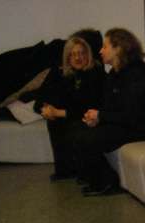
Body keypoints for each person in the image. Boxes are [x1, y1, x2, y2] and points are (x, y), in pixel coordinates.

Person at [74, 28, 145, 196]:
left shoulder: (135, 76)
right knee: (78, 130)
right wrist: (96, 118)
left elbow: (131, 115)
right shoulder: (114, 75)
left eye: (105, 47)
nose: (100, 51)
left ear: (118, 49)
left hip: (135, 129)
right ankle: (96, 177)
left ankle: (108, 182)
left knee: (89, 138)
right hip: (119, 124)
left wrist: (101, 116)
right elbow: (110, 107)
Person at [33, 35, 103, 181]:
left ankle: (80, 170)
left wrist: (58, 112)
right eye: (73, 54)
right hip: (67, 115)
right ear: (67, 57)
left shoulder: (95, 72)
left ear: (88, 55)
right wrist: (45, 110)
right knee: (53, 121)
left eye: (82, 53)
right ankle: (64, 171)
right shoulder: (58, 72)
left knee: (73, 124)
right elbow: (40, 99)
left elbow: (88, 106)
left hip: (87, 117)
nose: (78, 58)